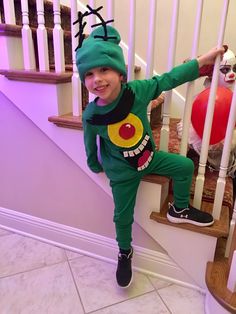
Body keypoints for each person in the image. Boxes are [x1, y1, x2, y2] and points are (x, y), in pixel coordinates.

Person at [76, 24, 226, 288]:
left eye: (103, 69)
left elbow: (169, 79)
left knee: (184, 166)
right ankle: (125, 251)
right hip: (122, 173)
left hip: (148, 157)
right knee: (122, 216)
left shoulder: (138, 91)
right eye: (88, 74)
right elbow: (90, 144)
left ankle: (179, 208)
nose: (96, 79)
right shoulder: (91, 115)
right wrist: (94, 163)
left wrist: (202, 61)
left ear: (120, 73)